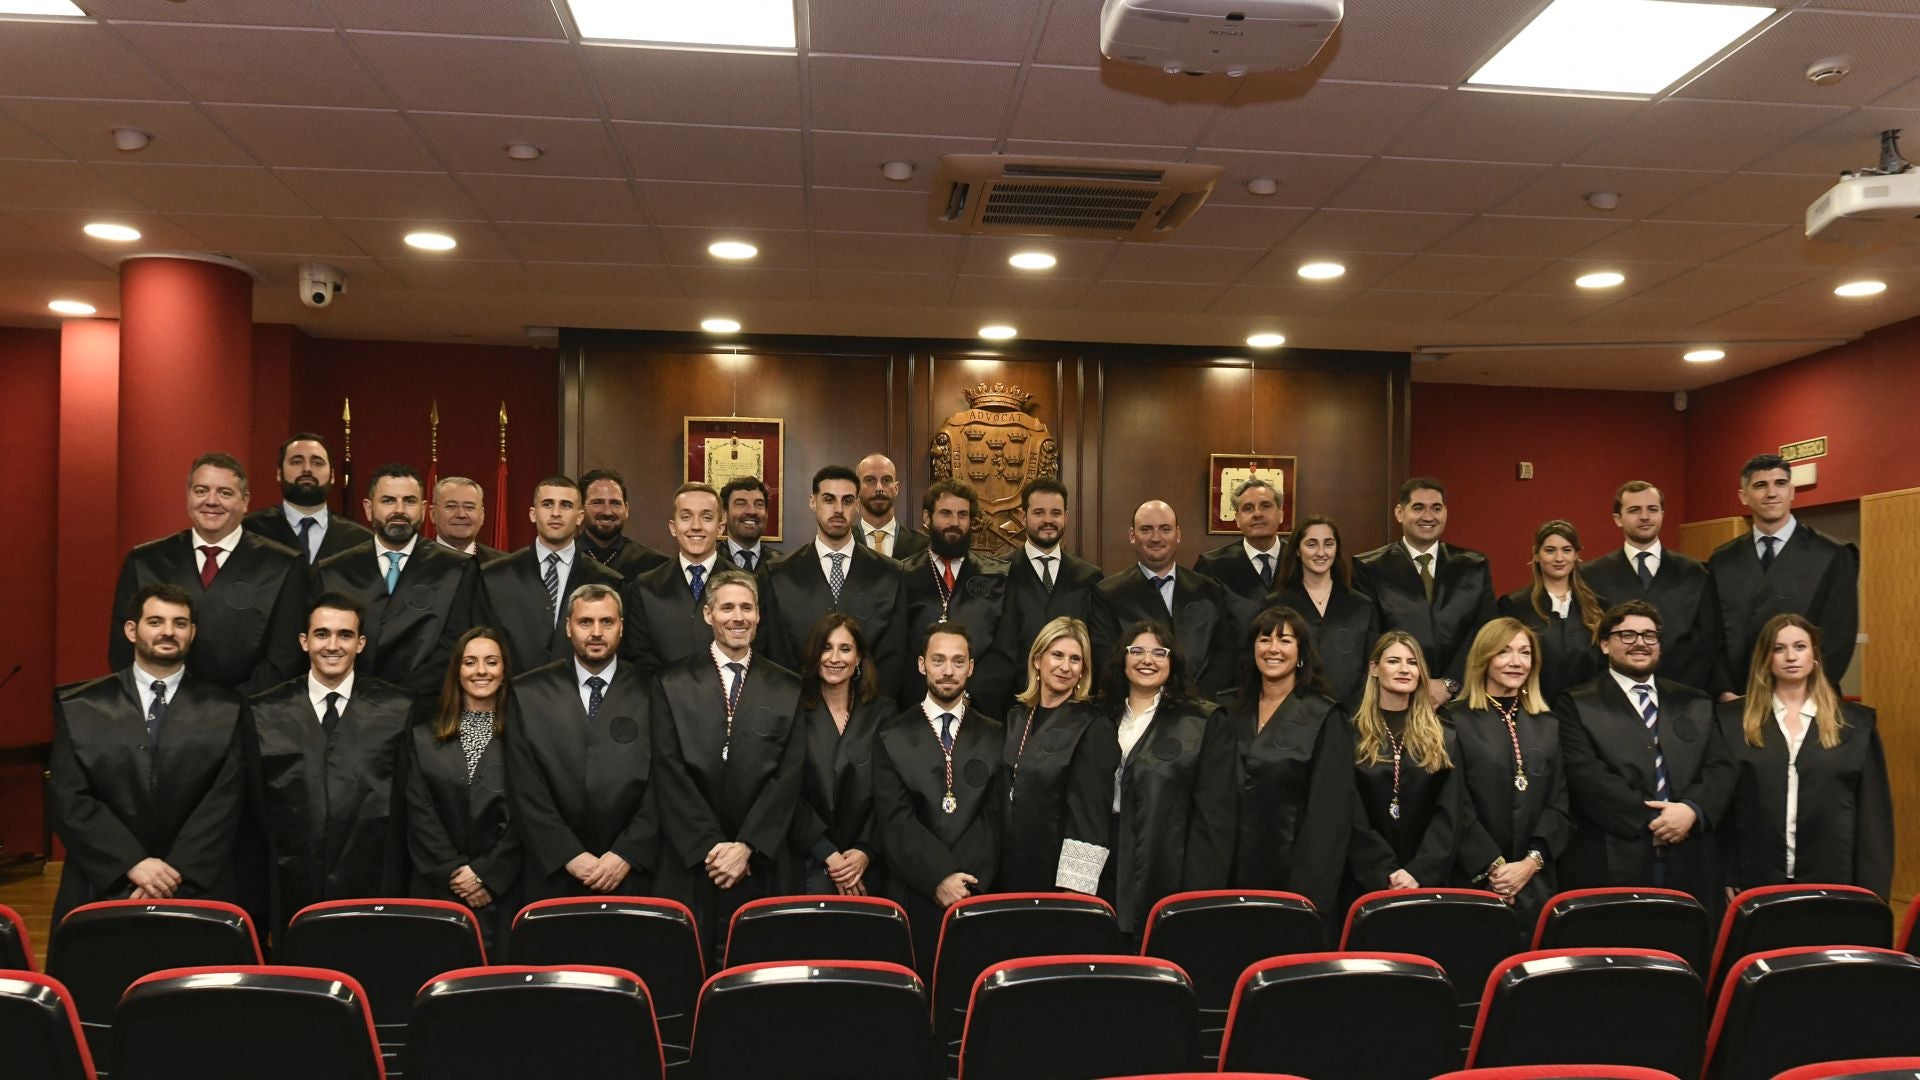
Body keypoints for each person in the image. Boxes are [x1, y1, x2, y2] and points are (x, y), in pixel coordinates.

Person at [51, 584, 246, 922]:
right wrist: (132, 863)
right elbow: (69, 797)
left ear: (193, 633)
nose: (168, 632)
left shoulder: (227, 708)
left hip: (193, 885)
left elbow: (226, 799)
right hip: (103, 882)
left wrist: (174, 871)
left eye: (180, 623)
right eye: (155, 622)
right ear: (132, 630)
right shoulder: (81, 706)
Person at [651, 571, 804, 957]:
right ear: (708, 615)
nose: (738, 617)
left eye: (747, 608)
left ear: (758, 616)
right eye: (728, 607)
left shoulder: (786, 685)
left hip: (760, 862)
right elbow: (668, 770)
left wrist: (747, 845)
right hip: (692, 860)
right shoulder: (671, 682)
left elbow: (789, 774)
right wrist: (713, 847)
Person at [243, 593, 412, 929]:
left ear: (360, 643)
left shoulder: (398, 708)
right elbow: (255, 807)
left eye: (345, 635)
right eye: (322, 634)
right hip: (288, 885)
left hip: (373, 888)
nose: (332, 645)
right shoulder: (265, 711)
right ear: (304, 641)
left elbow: (406, 806)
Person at [1555, 601, 1733, 909]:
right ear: (1605, 644)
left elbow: (1721, 767)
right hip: (1614, 858)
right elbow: (1585, 775)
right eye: (1627, 635)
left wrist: (1691, 811)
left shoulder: (1695, 702)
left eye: (1649, 635)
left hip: (1691, 857)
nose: (1640, 642)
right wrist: (1654, 820)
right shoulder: (1576, 703)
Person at [1716, 614, 1891, 897]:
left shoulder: (1855, 725)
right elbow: (1723, 810)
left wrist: (1872, 890)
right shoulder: (1731, 722)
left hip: (1833, 881)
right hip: (1755, 878)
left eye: (1800, 646)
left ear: (1815, 656)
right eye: (1778, 648)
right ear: (1766, 658)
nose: (1790, 656)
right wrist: (1726, 874)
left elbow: (1873, 819)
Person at [505, 583, 659, 900]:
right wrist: (568, 855)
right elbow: (524, 785)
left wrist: (627, 853)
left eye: (607, 622)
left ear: (621, 627)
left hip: (632, 871)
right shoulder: (530, 691)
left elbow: (665, 781)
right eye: (585, 622)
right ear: (568, 627)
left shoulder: (653, 690)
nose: (596, 632)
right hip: (553, 871)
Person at [110, 452, 309, 694]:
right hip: (159, 710)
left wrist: (228, 711)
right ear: (188, 495)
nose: (211, 501)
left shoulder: (283, 565)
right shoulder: (144, 561)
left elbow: (285, 659)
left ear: (245, 502)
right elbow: (122, 649)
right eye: (201, 491)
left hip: (249, 716)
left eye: (225, 493)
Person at [872, 622, 1005, 979]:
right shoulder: (891, 735)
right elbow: (895, 821)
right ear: (921, 664)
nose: (948, 671)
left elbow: (994, 818)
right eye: (939, 660)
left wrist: (963, 884)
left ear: (971, 668)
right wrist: (938, 878)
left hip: (975, 892)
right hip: (914, 892)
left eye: (958, 661)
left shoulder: (995, 734)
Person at [1102, 621, 1238, 943]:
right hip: (1104, 864)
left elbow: (1216, 818)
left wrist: (1198, 895)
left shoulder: (1202, 721)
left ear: (1172, 661)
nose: (1147, 660)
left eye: (1159, 653)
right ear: (1122, 659)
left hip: (1168, 866)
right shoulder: (1098, 715)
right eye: (1137, 651)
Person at [1223, 606, 1352, 920]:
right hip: (1230, 873)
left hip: (1295, 877)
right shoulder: (1227, 710)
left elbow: (1330, 813)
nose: (1273, 649)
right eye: (1265, 639)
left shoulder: (1324, 715)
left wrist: (1309, 895)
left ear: (1302, 652)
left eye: (1286, 641)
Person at [1442, 618, 1571, 925]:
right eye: (1504, 652)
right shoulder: (1452, 720)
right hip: (1474, 879)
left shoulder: (1548, 723)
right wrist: (1496, 869)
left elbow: (1560, 803)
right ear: (1484, 658)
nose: (1516, 662)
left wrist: (1529, 864)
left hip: (1536, 883)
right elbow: (1453, 804)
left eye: (1525, 653)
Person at [312, 463, 480, 698]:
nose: (399, 510)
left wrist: (401, 698)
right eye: (388, 501)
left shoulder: (456, 568)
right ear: (369, 508)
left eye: (409, 501)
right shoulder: (334, 571)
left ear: (422, 509)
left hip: (427, 709)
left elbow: (457, 645)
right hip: (351, 705)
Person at [406, 627, 522, 954]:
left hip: (504, 891)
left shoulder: (526, 737)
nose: (481, 671)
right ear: (457, 672)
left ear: (505, 670)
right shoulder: (422, 737)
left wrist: (487, 875)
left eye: (491, 662)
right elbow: (420, 811)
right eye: (470, 662)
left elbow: (530, 811)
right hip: (439, 889)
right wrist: (455, 874)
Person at [1708, 453, 1860, 690]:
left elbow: (1838, 638)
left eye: (1780, 484)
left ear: (1791, 491)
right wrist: (1724, 690)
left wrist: (1809, 691)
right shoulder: (1722, 560)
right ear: (1743, 496)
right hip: (1740, 697)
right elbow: (1712, 635)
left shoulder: (1832, 554)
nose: (1771, 493)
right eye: (1760, 485)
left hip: (1809, 696)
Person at [761, 465, 909, 700]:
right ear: (813, 502)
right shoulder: (780, 574)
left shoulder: (890, 573)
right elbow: (775, 654)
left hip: (869, 715)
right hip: (797, 712)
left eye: (847, 501)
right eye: (829, 499)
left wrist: (874, 713)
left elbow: (894, 656)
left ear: (858, 506)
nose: (838, 509)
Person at [1351, 477, 1496, 710]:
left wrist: (1449, 684)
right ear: (1399, 512)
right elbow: (1372, 634)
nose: (1428, 516)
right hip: (1397, 696)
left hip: (1464, 699)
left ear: (1445, 513)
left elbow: (1485, 631)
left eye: (1436, 508)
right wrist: (1413, 682)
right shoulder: (1370, 567)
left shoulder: (1473, 566)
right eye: (1418, 507)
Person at [999, 617, 1119, 894]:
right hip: (1011, 869)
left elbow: (1091, 816)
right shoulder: (1017, 718)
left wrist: (1075, 892)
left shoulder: (1093, 725)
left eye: (1075, 659)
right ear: (1038, 660)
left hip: (1059, 879)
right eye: (1057, 655)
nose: (1065, 667)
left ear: (1083, 670)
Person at [1346, 631, 1470, 896]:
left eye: (1412, 663)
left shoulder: (1444, 733)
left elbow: (1450, 811)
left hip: (1429, 879)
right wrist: (1383, 871)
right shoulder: (1349, 733)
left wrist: (1419, 871)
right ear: (1374, 668)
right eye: (1393, 661)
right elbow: (1349, 811)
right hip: (1365, 881)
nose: (1404, 669)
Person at [1582, 481, 1722, 694]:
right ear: (1618, 519)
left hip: (1683, 694)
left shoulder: (1694, 572)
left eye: (1652, 509)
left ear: (1663, 514)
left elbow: (1708, 640)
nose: (1645, 516)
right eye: (1634, 510)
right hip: (1614, 697)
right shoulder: (1591, 576)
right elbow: (1590, 642)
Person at [1089, 501, 1238, 695]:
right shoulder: (1108, 593)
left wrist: (1196, 701)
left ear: (1178, 534)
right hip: (1137, 707)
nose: (1156, 538)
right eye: (1146, 529)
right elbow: (1107, 660)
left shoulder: (1208, 589)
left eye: (1165, 529)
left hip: (1201, 708)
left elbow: (1223, 654)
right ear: (1132, 536)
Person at [478, 474, 624, 670]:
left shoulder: (608, 581)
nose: (556, 513)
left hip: (578, 695)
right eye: (547, 504)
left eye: (565, 505)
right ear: (533, 513)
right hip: (512, 694)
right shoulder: (494, 576)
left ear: (580, 516)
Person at [787, 613, 887, 897]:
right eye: (826, 648)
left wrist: (865, 850)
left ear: (858, 659)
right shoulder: (792, 709)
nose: (834, 658)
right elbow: (785, 790)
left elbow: (892, 793)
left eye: (845, 649)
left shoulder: (883, 713)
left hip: (869, 864)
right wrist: (827, 853)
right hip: (808, 860)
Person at [898, 479, 1016, 713]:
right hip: (915, 709)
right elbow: (897, 649)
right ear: (927, 518)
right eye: (945, 513)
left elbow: (1006, 651)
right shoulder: (901, 575)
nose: (955, 522)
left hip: (981, 711)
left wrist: (968, 696)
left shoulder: (999, 576)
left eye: (963, 515)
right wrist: (930, 700)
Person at [621, 483, 736, 679]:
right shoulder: (645, 587)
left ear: (720, 527)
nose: (696, 526)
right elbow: (639, 657)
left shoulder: (746, 585)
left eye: (706, 517)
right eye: (686, 517)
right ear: (673, 527)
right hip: (664, 700)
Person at [994, 478, 1103, 670]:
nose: (1048, 521)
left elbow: (1095, 647)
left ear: (1066, 517)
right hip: (1013, 695)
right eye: (1038, 512)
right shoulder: (999, 573)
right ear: (1023, 516)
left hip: (1072, 693)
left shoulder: (1089, 577)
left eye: (1055, 513)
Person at [1270, 514, 1378, 707]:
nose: (1321, 552)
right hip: (1291, 711)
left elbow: (1371, 665)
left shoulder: (1361, 605)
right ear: (1297, 550)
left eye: (1328, 544)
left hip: (1351, 714)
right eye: (1311, 544)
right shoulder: (1276, 604)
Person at [1496, 520, 1604, 702]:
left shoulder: (1599, 606)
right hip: (1534, 711)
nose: (1559, 558)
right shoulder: (1515, 606)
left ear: (1577, 555)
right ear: (1537, 555)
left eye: (1567, 550)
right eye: (1550, 550)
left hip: (1589, 712)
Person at [242, 432, 372, 564]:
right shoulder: (249, 531)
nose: (307, 469)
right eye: (297, 461)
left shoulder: (361, 541)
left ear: (332, 476)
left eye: (317, 463)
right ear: (279, 474)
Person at [1194, 477, 1289, 641]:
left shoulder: (1301, 559)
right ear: (1237, 519)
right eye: (1248, 508)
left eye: (1265, 506)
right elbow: (1203, 632)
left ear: (1280, 514)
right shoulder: (1212, 566)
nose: (1257, 514)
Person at [578, 468, 670, 579]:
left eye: (615, 503)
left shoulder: (654, 564)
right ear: (581, 509)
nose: (607, 512)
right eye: (597, 503)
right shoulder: (564, 558)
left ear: (626, 510)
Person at [853, 452, 928, 560]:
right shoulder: (842, 543)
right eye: (870, 480)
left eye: (886, 480)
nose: (879, 488)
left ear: (896, 488)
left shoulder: (923, 546)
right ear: (857, 488)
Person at [430, 476, 505, 562]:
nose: (461, 514)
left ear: (482, 515)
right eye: (451, 506)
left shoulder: (502, 565)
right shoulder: (413, 562)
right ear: (433, 514)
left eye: (469, 507)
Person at [720, 476, 780, 571]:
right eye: (741, 504)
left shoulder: (782, 565)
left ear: (767, 513)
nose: (751, 511)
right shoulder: (708, 562)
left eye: (759, 504)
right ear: (724, 513)